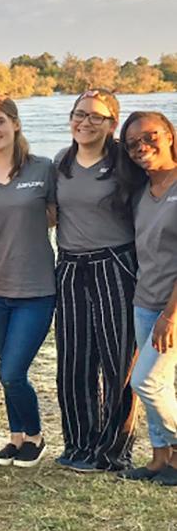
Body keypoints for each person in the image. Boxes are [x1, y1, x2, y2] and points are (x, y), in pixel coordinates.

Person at [0, 94, 56, 468]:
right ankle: (16, 438)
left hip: (36, 288)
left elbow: (60, 216)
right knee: (8, 369)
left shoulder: (43, 169)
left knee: (12, 371)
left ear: (15, 123)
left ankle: (35, 436)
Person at [53, 90, 142, 473]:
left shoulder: (125, 162)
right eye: (79, 114)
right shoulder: (62, 161)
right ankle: (79, 444)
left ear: (112, 124)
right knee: (74, 360)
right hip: (70, 267)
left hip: (115, 264)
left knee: (118, 361)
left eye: (96, 117)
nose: (85, 122)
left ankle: (114, 451)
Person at [117, 111, 177, 486]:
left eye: (150, 136)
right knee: (161, 384)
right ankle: (159, 460)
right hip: (145, 299)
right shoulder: (141, 191)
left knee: (146, 382)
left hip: (171, 308)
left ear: (169, 135)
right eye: (132, 143)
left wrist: (170, 315)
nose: (142, 146)